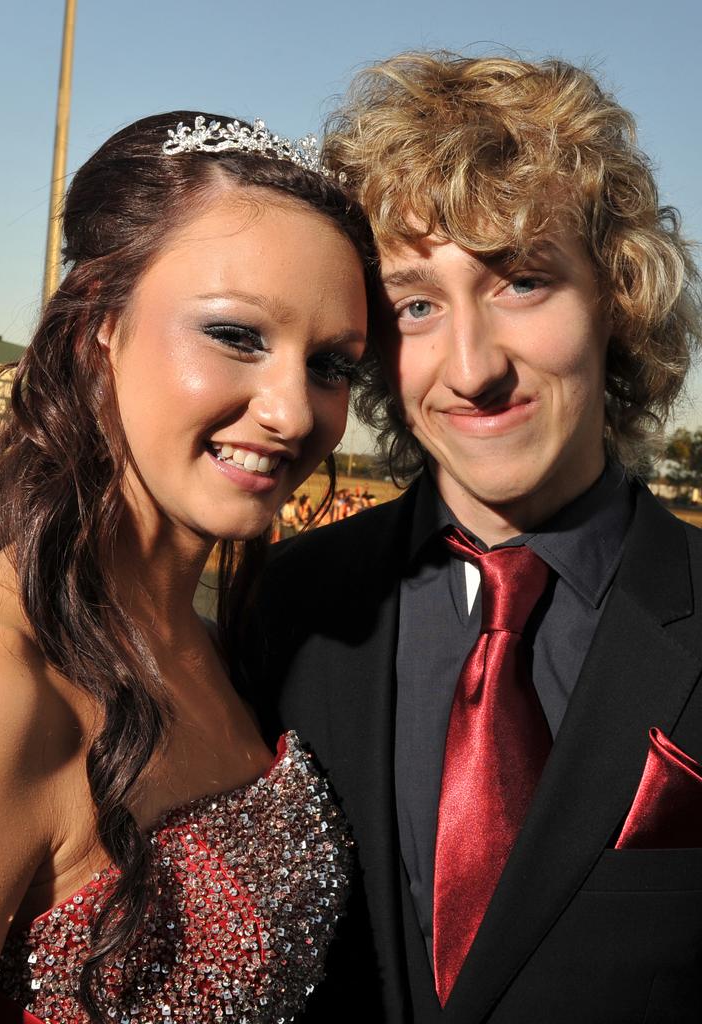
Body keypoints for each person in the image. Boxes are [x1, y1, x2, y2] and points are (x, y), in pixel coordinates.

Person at [238, 53, 702, 1023]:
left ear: (616, 298)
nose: (471, 366)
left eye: (523, 281)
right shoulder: (284, 607)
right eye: (416, 304)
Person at [0, 110, 374, 1023]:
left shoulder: (228, 645)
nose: (294, 412)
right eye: (236, 336)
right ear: (101, 321)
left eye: (332, 364)